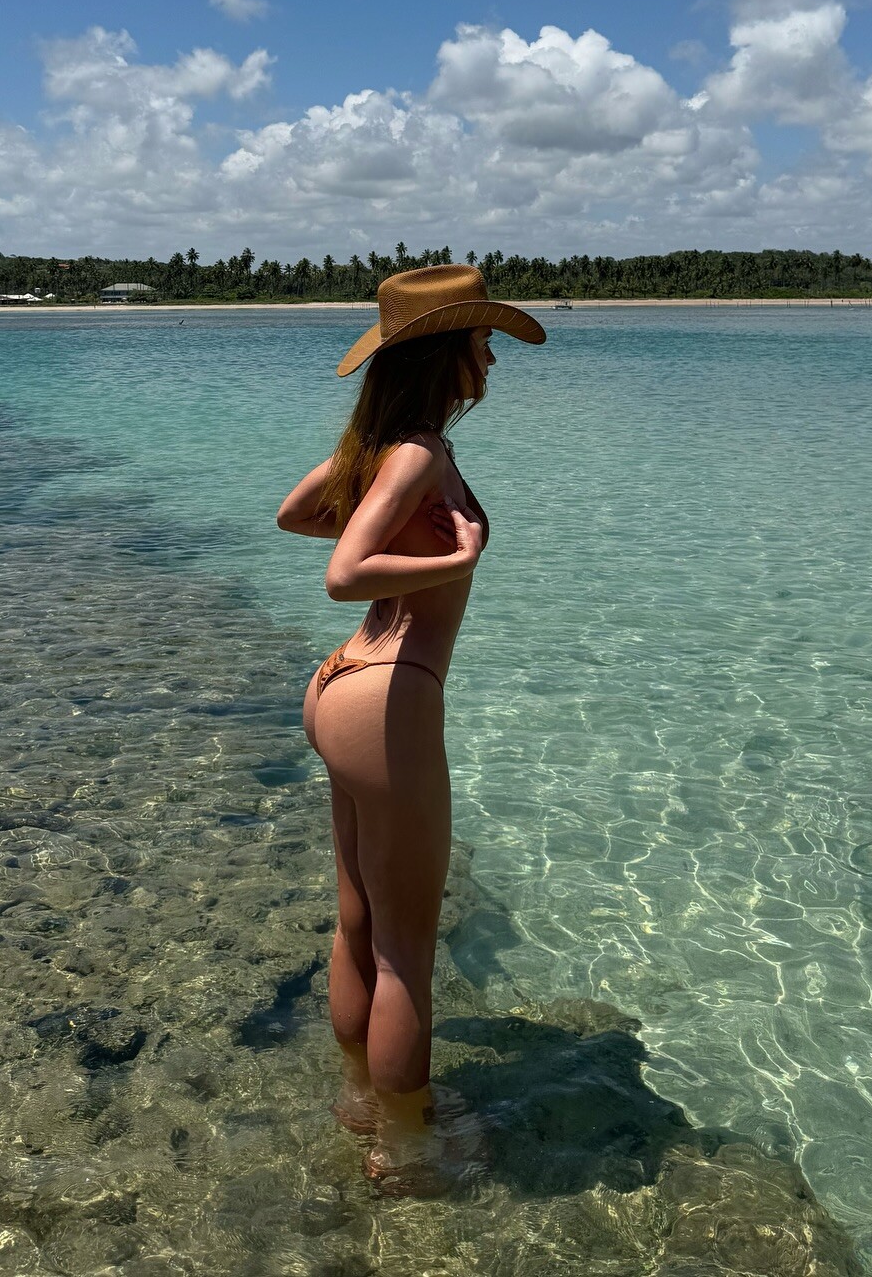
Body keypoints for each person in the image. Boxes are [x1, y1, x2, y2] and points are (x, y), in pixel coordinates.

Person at [277, 264, 546, 1191]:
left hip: (338, 686)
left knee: (358, 922)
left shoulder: (381, 446)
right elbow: (344, 574)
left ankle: (361, 1097)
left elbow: (295, 515)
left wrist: (400, 539)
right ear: (446, 355)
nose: (491, 359)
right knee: (405, 953)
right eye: (481, 341)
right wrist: (454, 557)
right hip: (389, 696)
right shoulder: (419, 453)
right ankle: (408, 1149)